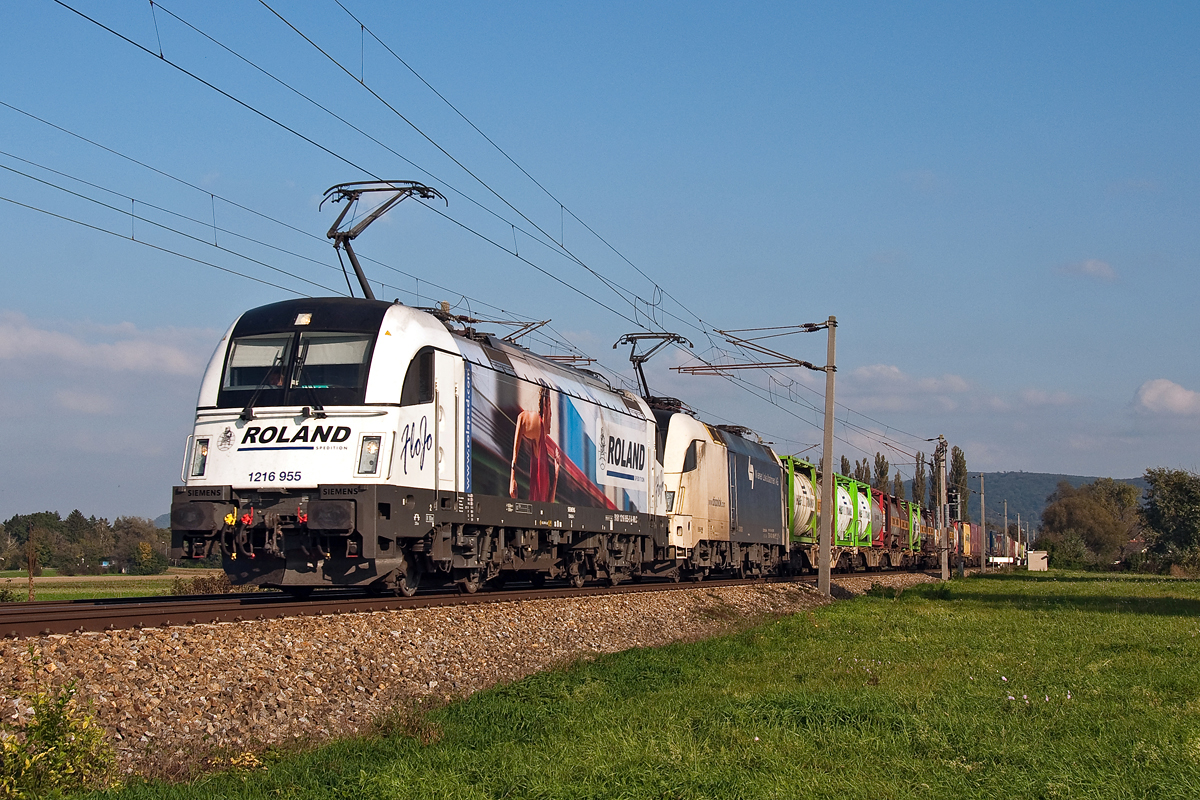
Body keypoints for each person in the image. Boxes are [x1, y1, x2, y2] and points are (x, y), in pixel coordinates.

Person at [509, 385, 560, 502]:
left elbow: (550, 502)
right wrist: (512, 477)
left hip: (539, 512)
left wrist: (556, 473)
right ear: (545, 408)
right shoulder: (539, 428)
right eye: (549, 406)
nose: (551, 414)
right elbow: (521, 419)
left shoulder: (544, 451)